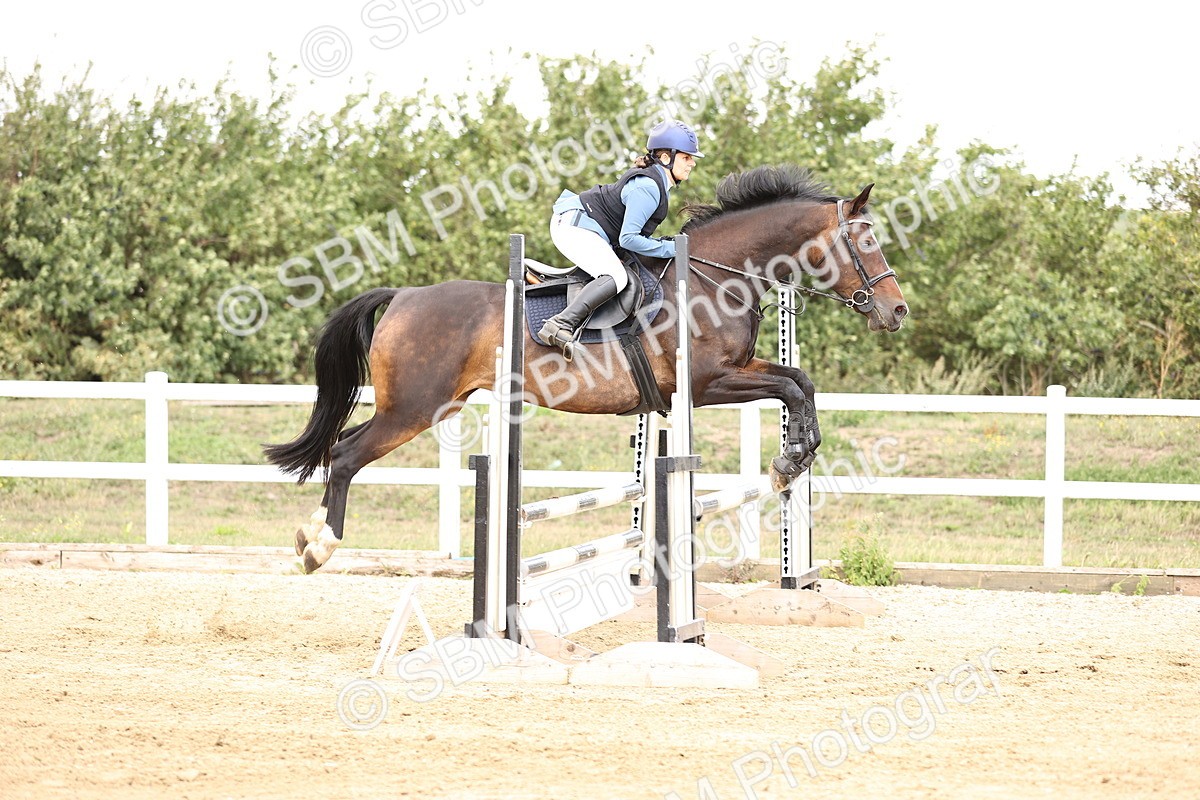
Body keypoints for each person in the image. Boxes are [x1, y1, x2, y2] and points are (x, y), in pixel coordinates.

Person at [538, 119, 703, 358]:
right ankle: (560, 324)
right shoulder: (647, 187)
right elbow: (628, 239)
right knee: (615, 276)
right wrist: (672, 249)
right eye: (687, 157)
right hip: (573, 225)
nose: (692, 163)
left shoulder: (656, 183)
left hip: (588, 226)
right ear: (667, 158)